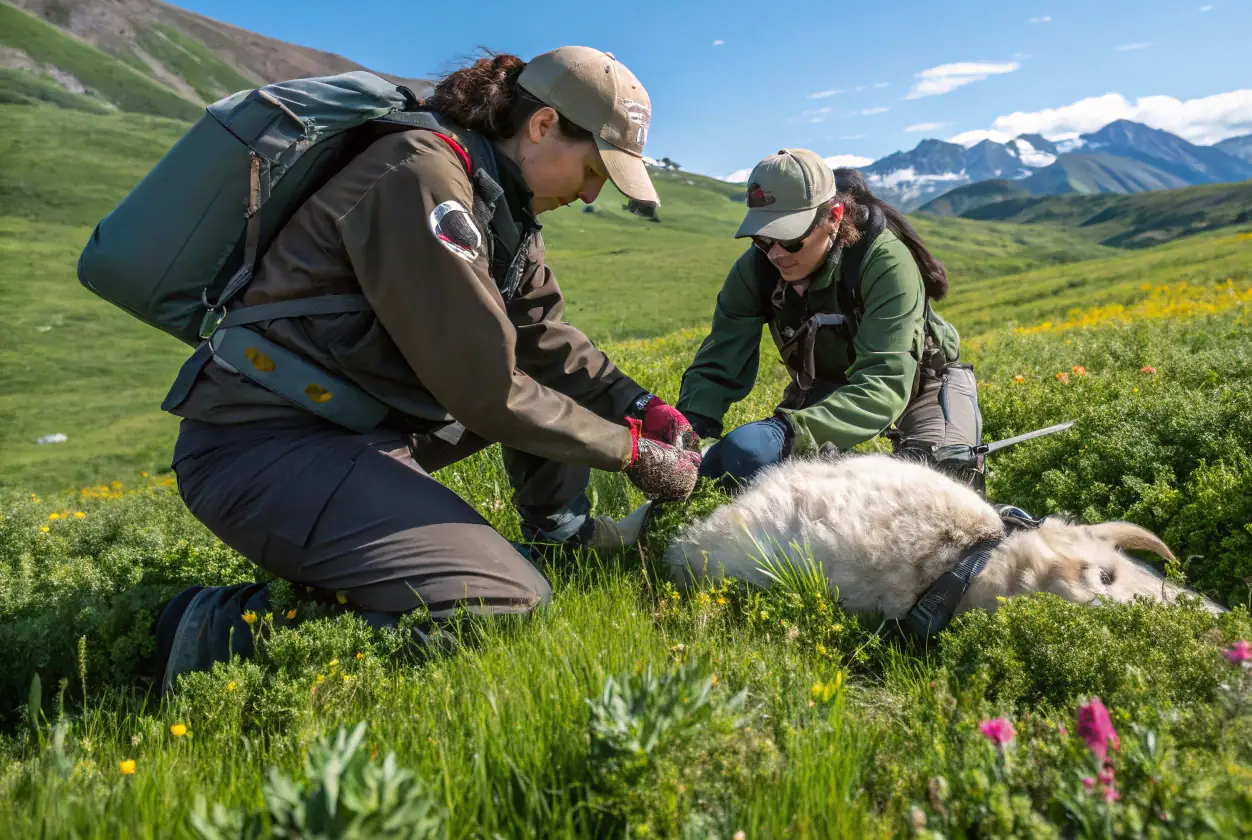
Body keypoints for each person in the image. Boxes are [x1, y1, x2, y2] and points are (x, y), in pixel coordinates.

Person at [164, 46, 701, 636]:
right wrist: (630, 452)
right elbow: (486, 389)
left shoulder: (499, 199)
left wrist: (641, 408)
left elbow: (542, 338)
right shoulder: (422, 175)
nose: (593, 194)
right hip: (262, 446)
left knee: (543, 384)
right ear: (543, 125)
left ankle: (561, 538)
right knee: (502, 603)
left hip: (351, 427)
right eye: (594, 171)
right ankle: (208, 629)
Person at [677, 148, 982, 492]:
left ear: (834, 216)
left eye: (790, 239)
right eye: (762, 238)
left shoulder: (886, 261)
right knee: (775, 492)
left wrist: (788, 432)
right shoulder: (756, 268)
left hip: (921, 381)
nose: (775, 253)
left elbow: (887, 380)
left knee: (944, 482)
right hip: (826, 387)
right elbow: (720, 359)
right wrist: (687, 427)